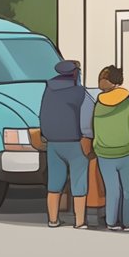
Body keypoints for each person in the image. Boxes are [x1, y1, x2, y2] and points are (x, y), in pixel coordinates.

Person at [39, 60, 94, 229]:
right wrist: (88, 136)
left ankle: (53, 219)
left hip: (54, 143)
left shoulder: (48, 90)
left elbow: (42, 114)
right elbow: (86, 118)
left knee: (54, 182)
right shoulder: (80, 92)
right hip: (75, 142)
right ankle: (79, 221)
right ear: (76, 73)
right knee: (79, 181)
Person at [92, 65, 129, 231]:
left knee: (112, 190)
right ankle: (128, 223)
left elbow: (95, 128)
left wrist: (96, 145)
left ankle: (111, 222)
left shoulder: (99, 104)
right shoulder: (127, 102)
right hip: (125, 150)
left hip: (104, 152)